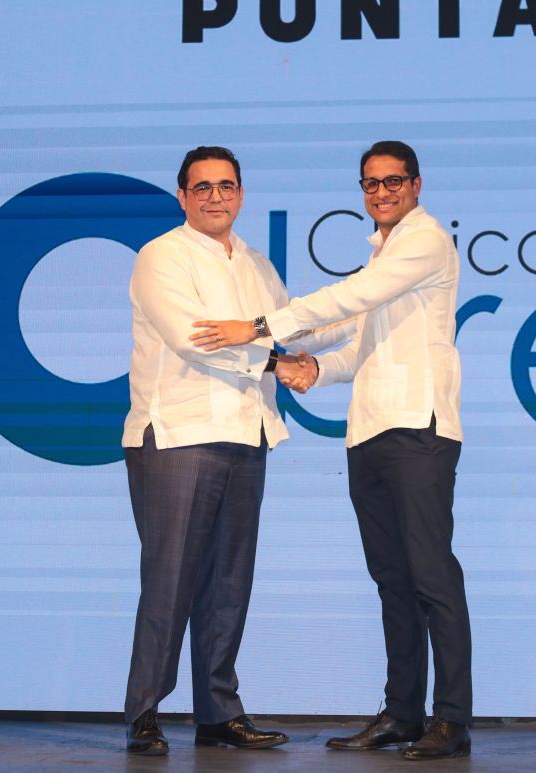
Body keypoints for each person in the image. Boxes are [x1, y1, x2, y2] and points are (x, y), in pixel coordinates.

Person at [190, 140, 473, 760]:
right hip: (370, 433)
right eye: (371, 183)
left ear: (417, 186)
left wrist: (260, 328)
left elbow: (349, 300)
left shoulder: (426, 241)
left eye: (394, 181)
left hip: (419, 431)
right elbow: (356, 337)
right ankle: (403, 713)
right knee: (392, 580)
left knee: (431, 576)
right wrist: (312, 368)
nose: (382, 192)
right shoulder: (385, 253)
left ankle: (451, 720)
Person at [122, 145, 345, 755]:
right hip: (178, 434)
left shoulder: (256, 265)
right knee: (170, 578)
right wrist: (276, 362)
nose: (215, 197)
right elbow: (195, 340)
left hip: (247, 434)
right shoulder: (161, 256)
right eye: (203, 187)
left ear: (241, 195)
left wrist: (365, 308)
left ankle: (218, 712)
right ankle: (144, 712)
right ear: (183, 197)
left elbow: (294, 325)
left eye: (226, 186)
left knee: (228, 582)